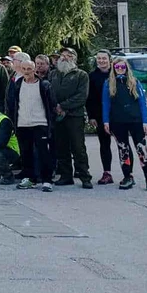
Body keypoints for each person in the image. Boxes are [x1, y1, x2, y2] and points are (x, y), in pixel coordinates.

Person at [102, 57, 147, 191]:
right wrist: (106, 121)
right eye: (117, 67)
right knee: (123, 149)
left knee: (141, 149)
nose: (120, 69)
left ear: (126, 68)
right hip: (118, 121)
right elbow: (106, 103)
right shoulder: (108, 84)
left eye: (122, 67)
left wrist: (145, 121)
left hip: (135, 120)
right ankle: (127, 176)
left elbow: (142, 103)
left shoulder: (134, 82)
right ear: (113, 68)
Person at [4, 53, 55, 191]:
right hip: (22, 124)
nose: (26, 72)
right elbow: (13, 104)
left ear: (34, 70)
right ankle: (29, 179)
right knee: (26, 153)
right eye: (24, 69)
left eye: (29, 69)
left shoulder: (44, 85)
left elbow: (51, 105)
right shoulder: (17, 84)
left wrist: (50, 124)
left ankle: (47, 180)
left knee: (43, 153)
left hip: (40, 123)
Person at [49, 47, 92, 188]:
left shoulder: (81, 75)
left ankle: (85, 176)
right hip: (58, 116)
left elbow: (81, 96)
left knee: (78, 147)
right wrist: (55, 106)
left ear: (74, 58)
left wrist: (63, 106)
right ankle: (66, 176)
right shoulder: (53, 74)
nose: (64, 57)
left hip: (74, 116)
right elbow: (49, 93)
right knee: (61, 147)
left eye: (68, 55)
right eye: (62, 55)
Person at [87, 50, 115, 184]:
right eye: (99, 58)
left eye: (104, 58)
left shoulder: (116, 74)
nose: (101, 61)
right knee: (104, 145)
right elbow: (89, 98)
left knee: (123, 145)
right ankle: (107, 173)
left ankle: (128, 174)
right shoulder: (92, 76)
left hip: (117, 115)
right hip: (100, 116)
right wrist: (91, 116)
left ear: (109, 60)